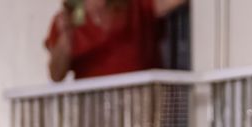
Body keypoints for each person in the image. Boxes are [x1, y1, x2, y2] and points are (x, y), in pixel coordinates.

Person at [43, 0, 188, 82]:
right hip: (93, 114)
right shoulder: (68, 19)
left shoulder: (134, 5)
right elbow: (56, 75)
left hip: (142, 107)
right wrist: (66, 35)